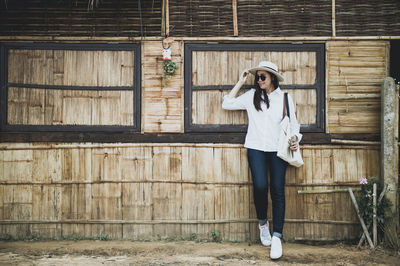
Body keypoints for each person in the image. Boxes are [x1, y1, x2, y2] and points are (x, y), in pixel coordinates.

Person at [222, 61, 301, 260]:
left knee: (277, 190)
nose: (258, 80)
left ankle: (277, 237)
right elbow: (227, 104)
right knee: (259, 186)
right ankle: (263, 223)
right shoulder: (251, 97)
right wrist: (240, 82)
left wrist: (295, 140)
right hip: (256, 147)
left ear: (272, 78)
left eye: (262, 77)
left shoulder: (285, 98)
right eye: (257, 77)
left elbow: (294, 125)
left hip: (277, 150)